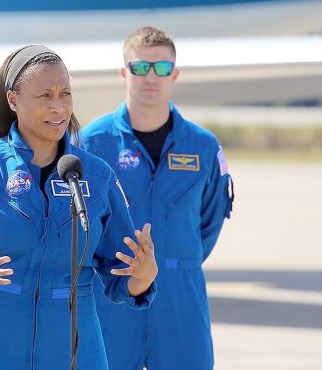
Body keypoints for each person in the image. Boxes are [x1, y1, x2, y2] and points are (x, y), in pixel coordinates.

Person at [0, 44, 157, 370]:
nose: (59, 107)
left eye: (65, 94)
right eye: (45, 96)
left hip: (73, 351)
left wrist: (143, 277)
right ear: (14, 100)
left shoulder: (96, 176)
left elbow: (121, 275)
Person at [81, 26, 234, 370]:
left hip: (179, 296)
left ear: (174, 75)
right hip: (110, 296)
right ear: (124, 73)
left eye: (161, 68)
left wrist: (176, 257)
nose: (151, 76)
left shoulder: (203, 147)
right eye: (139, 67)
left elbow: (209, 222)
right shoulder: (91, 144)